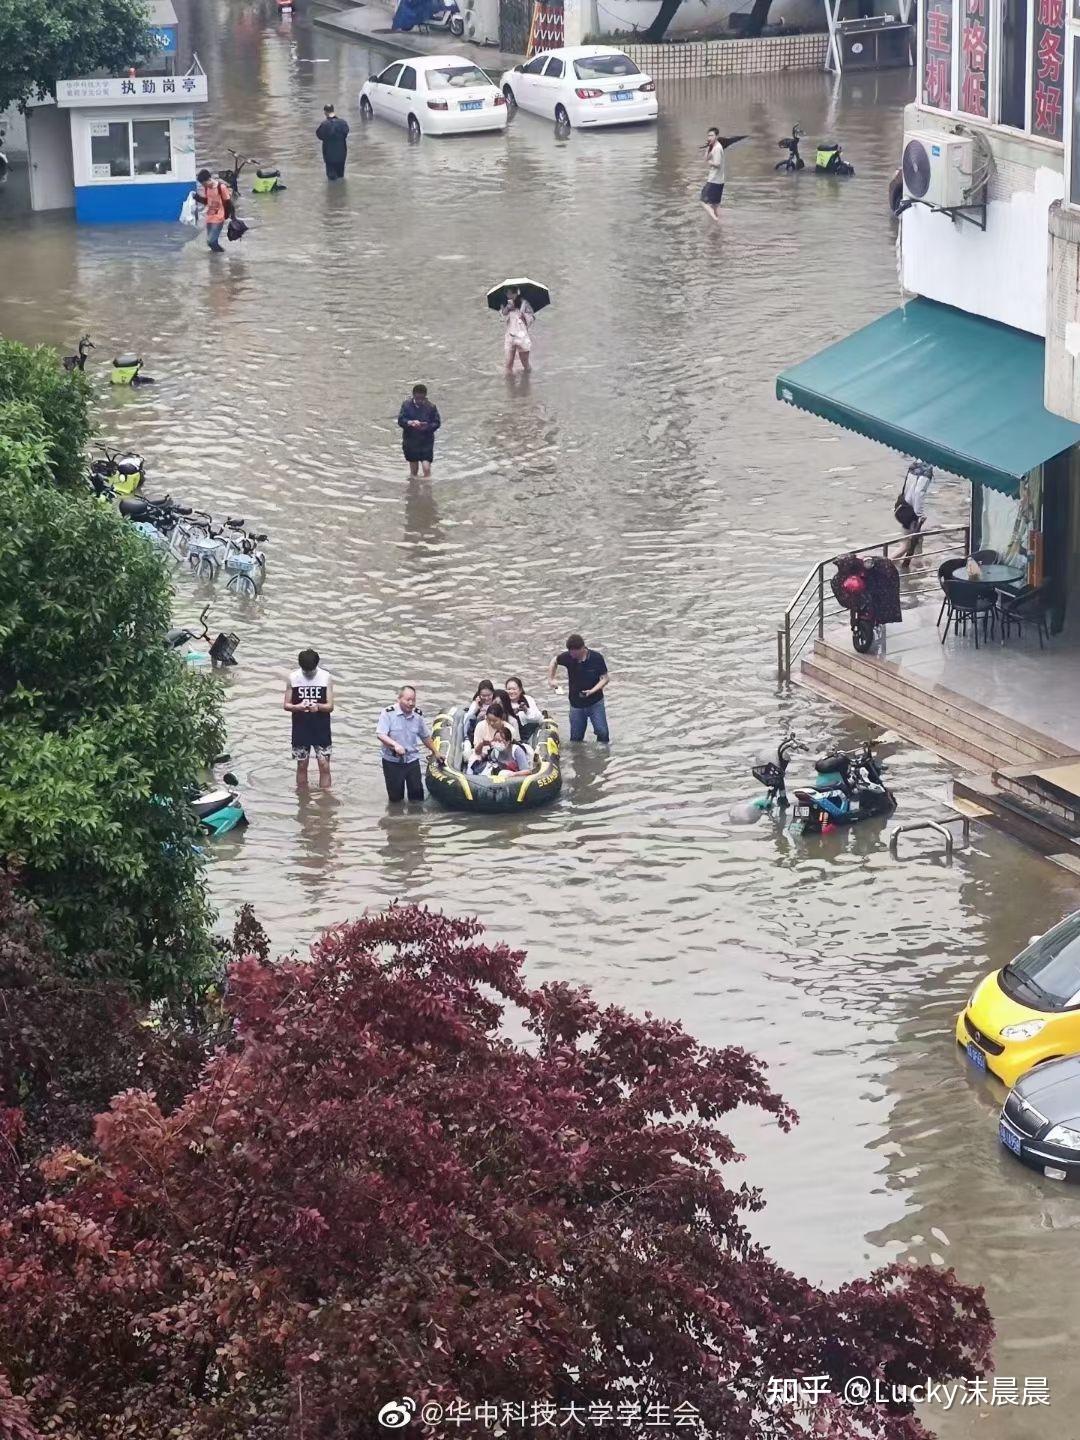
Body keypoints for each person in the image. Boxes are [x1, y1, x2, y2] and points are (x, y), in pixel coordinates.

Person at [377, 684, 441, 801]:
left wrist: (435, 752)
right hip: (392, 762)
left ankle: (416, 818)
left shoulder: (417, 715)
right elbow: (381, 734)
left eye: (413, 700)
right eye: (408, 700)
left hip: (412, 759)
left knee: (417, 796)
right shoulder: (387, 713)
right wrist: (395, 745)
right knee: (396, 798)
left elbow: (425, 736)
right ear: (399, 699)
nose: (411, 703)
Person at [284, 648, 334, 788]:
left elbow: (330, 706)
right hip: (301, 728)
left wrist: (317, 706)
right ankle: (302, 801)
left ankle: (325, 801)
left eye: (311, 670)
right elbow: (286, 705)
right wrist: (299, 706)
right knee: (301, 765)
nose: (308, 673)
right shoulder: (293, 677)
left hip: (321, 728)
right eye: (305, 670)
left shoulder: (325, 677)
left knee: (324, 765)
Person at [548, 633, 610, 743]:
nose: (572, 655)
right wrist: (551, 679)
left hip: (595, 702)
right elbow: (554, 661)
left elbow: (605, 679)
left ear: (582, 649)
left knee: (603, 733)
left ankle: (603, 756)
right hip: (576, 704)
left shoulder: (596, 658)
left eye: (574, 653)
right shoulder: (568, 657)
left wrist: (592, 691)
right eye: (570, 652)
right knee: (576, 738)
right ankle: (578, 757)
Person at [894, 460, 934, 570]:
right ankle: (888, 564)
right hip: (911, 513)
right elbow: (919, 492)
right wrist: (920, 514)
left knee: (911, 543)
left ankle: (913, 568)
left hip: (903, 508)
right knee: (909, 545)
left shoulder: (915, 465)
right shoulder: (926, 470)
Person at [699, 127, 743, 225]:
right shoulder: (714, 147)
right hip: (719, 181)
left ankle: (715, 220)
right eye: (708, 135)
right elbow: (705, 158)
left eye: (711, 135)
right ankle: (718, 225)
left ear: (716, 136)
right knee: (715, 206)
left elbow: (717, 164)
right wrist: (707, 148)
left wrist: (710, 162)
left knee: (703, 202)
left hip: (714, 180)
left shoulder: (718, 148)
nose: (709, 137)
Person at [397, 383, 441, 478]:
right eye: (417, 399)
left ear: (425, 396)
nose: (420, 401)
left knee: (426, 468)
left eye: (422, 399)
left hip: (426, 440)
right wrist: (410, 422)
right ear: (413, 396)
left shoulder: (431, 407)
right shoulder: (406, 405)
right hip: (410, 440)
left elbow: (437, 423)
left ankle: (427, 488)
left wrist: (426, 426)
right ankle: (413, 488)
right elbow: (401, 420)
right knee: (414, 470)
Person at [195, 168, 231, 252]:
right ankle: (216, 260)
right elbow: (207, 201)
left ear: (208, 180)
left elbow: (228, 202)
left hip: (219, 218)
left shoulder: (221, 187)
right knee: (213, 241)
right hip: (210, 217)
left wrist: (227, 215)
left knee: (210, 241)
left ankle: (223, 253)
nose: (203, 186)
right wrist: (198, 198)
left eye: (203, 184)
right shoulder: (207, 188)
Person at [316, 104, 350, 181]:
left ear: (325, 112)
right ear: (333, 110)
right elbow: (346, 133)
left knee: (332, 180)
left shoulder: (324, 125)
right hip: (341, 156)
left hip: (329, 157)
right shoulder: (343, 123)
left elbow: (319, 135)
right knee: (341, 177)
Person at [501, 293, 533, 373]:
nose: (510, 296)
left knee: (525, 364)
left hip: (522, 337)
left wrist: (523, 315)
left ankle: (527, 381)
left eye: (511, 294)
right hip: (510, 337)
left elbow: (531, 319)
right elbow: (502, 319)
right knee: (508, 365)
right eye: (508, 294)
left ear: (516, 293)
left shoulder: (524, 303)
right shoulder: (504, 305)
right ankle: (509, 383)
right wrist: (507, 308)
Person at [504, 675, 543, 739]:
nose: (511, 692)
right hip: (512, 736)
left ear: (520, 690)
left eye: (514, 689)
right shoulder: (503, 701)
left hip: (531, 734)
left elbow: (539, 718)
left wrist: (526, 711)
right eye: (509, 689)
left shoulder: (528, 699)